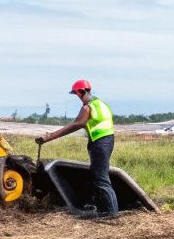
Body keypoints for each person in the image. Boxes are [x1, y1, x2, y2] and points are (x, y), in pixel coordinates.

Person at [41, 79, 117, 218]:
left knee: (101, 179)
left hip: (100, 143)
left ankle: (111, 214)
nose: (77, 97)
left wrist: (50, 137)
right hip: (106, 141)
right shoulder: (100, 104)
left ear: (81, 92)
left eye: (76, 94)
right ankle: (105, 210)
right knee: (98, 176)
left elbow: (77, 124)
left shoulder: (88, 107)